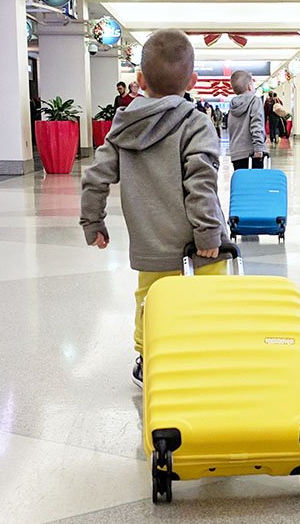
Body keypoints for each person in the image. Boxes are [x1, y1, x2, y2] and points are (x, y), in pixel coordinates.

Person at [79, 29, 229, 388]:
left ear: (140, 80)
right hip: (199, 241)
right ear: (192, 81)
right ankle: (204, 355)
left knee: (149, 299)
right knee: (210, 298)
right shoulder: (196, 122)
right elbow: (201, 181)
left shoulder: (122, 126)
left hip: (151, 241)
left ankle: (149, 359)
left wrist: (92, 221)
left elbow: (96, 177)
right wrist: (208, 231)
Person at [227, 71, 267, 169]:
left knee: (241, 182)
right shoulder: (254, 101)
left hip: (236, 153)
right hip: (253, 152)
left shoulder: (233, 106)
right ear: (249, 86)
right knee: (255, 182)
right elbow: (256, 124)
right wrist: (258, 146)